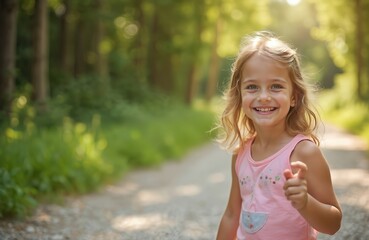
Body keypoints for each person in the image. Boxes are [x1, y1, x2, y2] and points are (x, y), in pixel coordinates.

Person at [215, 31, 342, 240]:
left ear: (294, 96)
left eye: (276, 86)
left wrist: (305, 202)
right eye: (252, 87)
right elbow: (231, 215)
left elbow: (333, 224)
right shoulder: (241, 154)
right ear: (240, 95)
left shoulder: (304, 153)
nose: (263, 97)